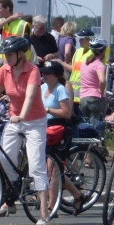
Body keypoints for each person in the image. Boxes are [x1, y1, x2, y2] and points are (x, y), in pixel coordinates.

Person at [0, 36, 51, 224]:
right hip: (14, 120)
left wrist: (22, 115)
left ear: (20, 54)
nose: (6, 58)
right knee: (3, 160)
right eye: (5, 55)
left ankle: (44, 213)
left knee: (36, 166)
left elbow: (30, 96)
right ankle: (10, 198)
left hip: (34, 122)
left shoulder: (32, 70)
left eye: (9, 54)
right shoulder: (5, 70)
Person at [41, 60, 83, 210]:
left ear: (56, 75)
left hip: (59, 130)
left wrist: (48, 110)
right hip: (44, 129)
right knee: (49, 168)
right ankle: (77, 194)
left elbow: (67, 113)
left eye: (48, 73)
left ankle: (51, 207)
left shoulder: (61, 89)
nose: (44, 75)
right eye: (43, 72)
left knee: (52, 168)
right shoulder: (42, 87)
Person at [79, 39, 109, 124]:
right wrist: (101, 92)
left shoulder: (85, 63)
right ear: (103, 51)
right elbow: (102, 80)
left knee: (85, 125)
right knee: (96, 126)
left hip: (83, 98)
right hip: (94, 99)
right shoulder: (99, 65)